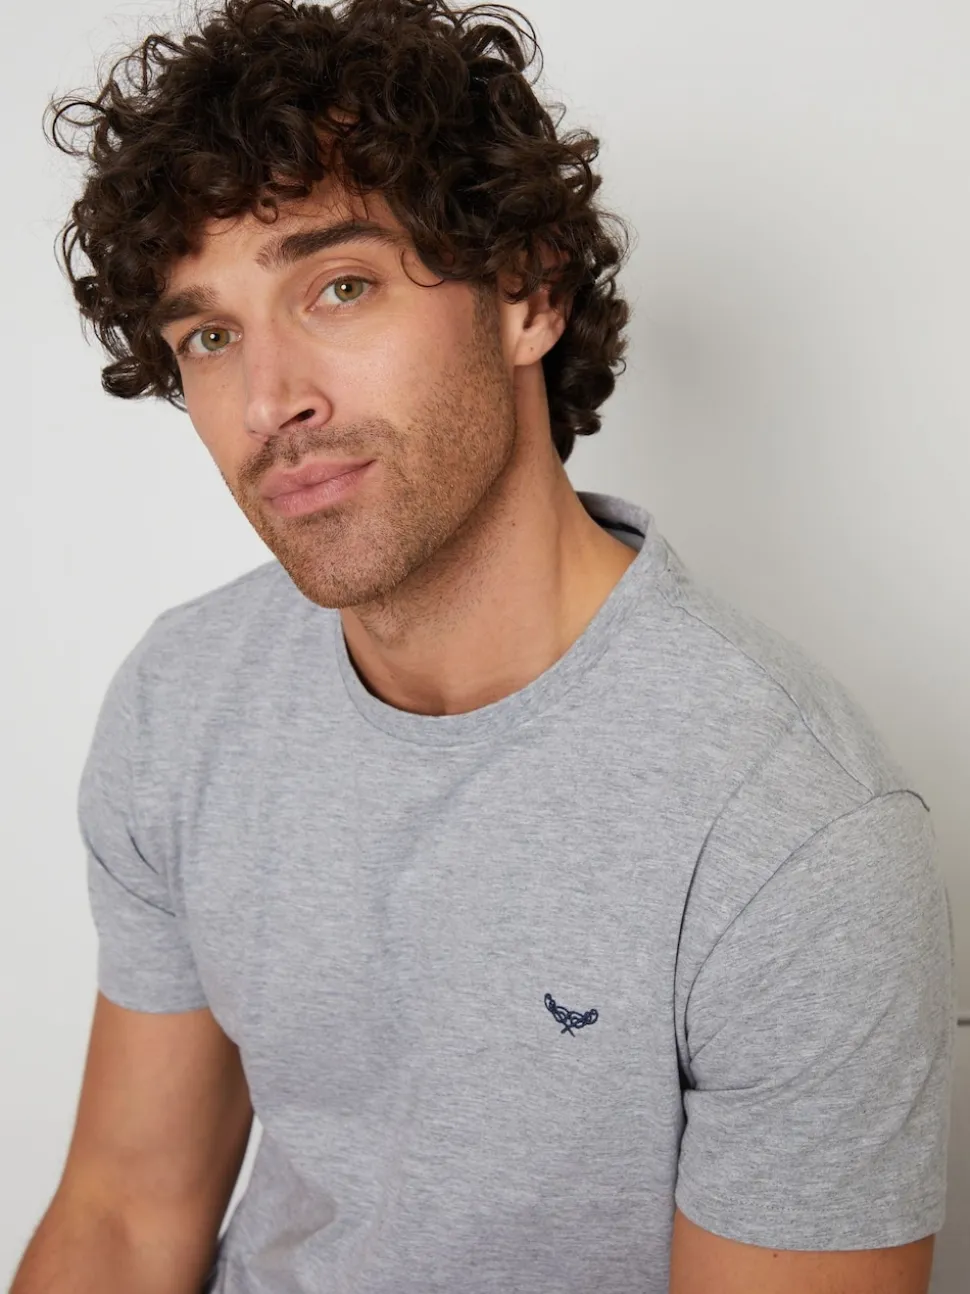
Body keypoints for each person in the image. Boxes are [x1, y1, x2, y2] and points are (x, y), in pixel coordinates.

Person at [13, 1, 955, 1291]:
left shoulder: (794, 834)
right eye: (211, 336)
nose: (269, 401)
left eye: (339, 287)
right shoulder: (185, 701)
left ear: (527, 293)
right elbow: (125, 1216)